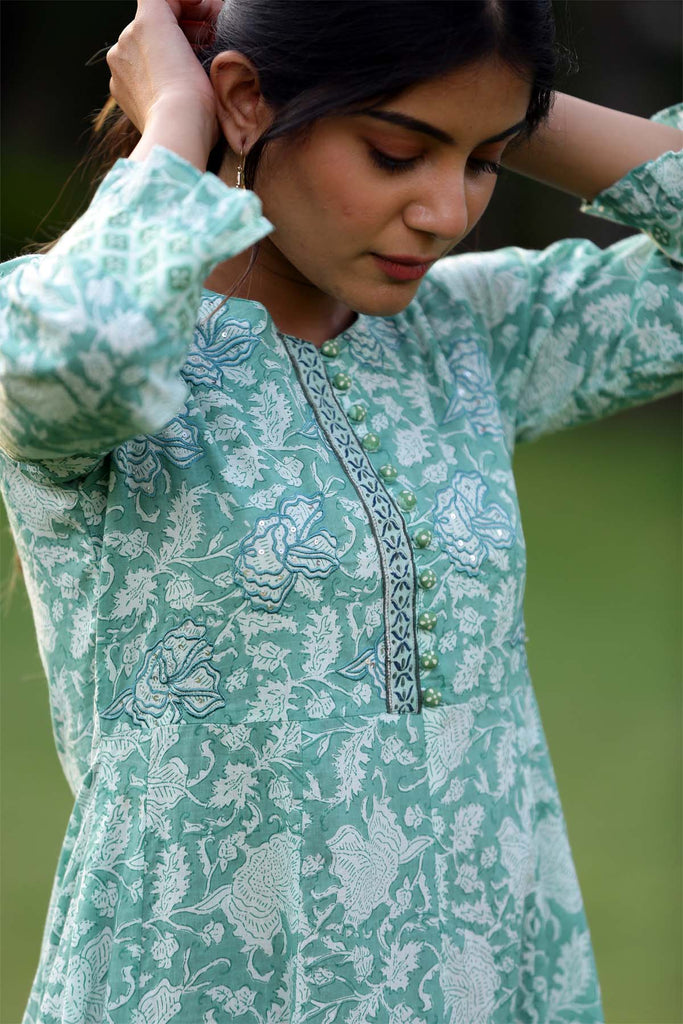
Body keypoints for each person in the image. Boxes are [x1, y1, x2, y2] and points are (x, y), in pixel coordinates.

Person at [0, 0, 680, 1021]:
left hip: (489, 980)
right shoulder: (110, 343)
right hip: (202, 987)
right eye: (395, 152)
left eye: (481, 163)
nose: (445, 211)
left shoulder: (466, 338)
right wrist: (178, 116)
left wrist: (482, 88)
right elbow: (67, 357)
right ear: (244, 100)